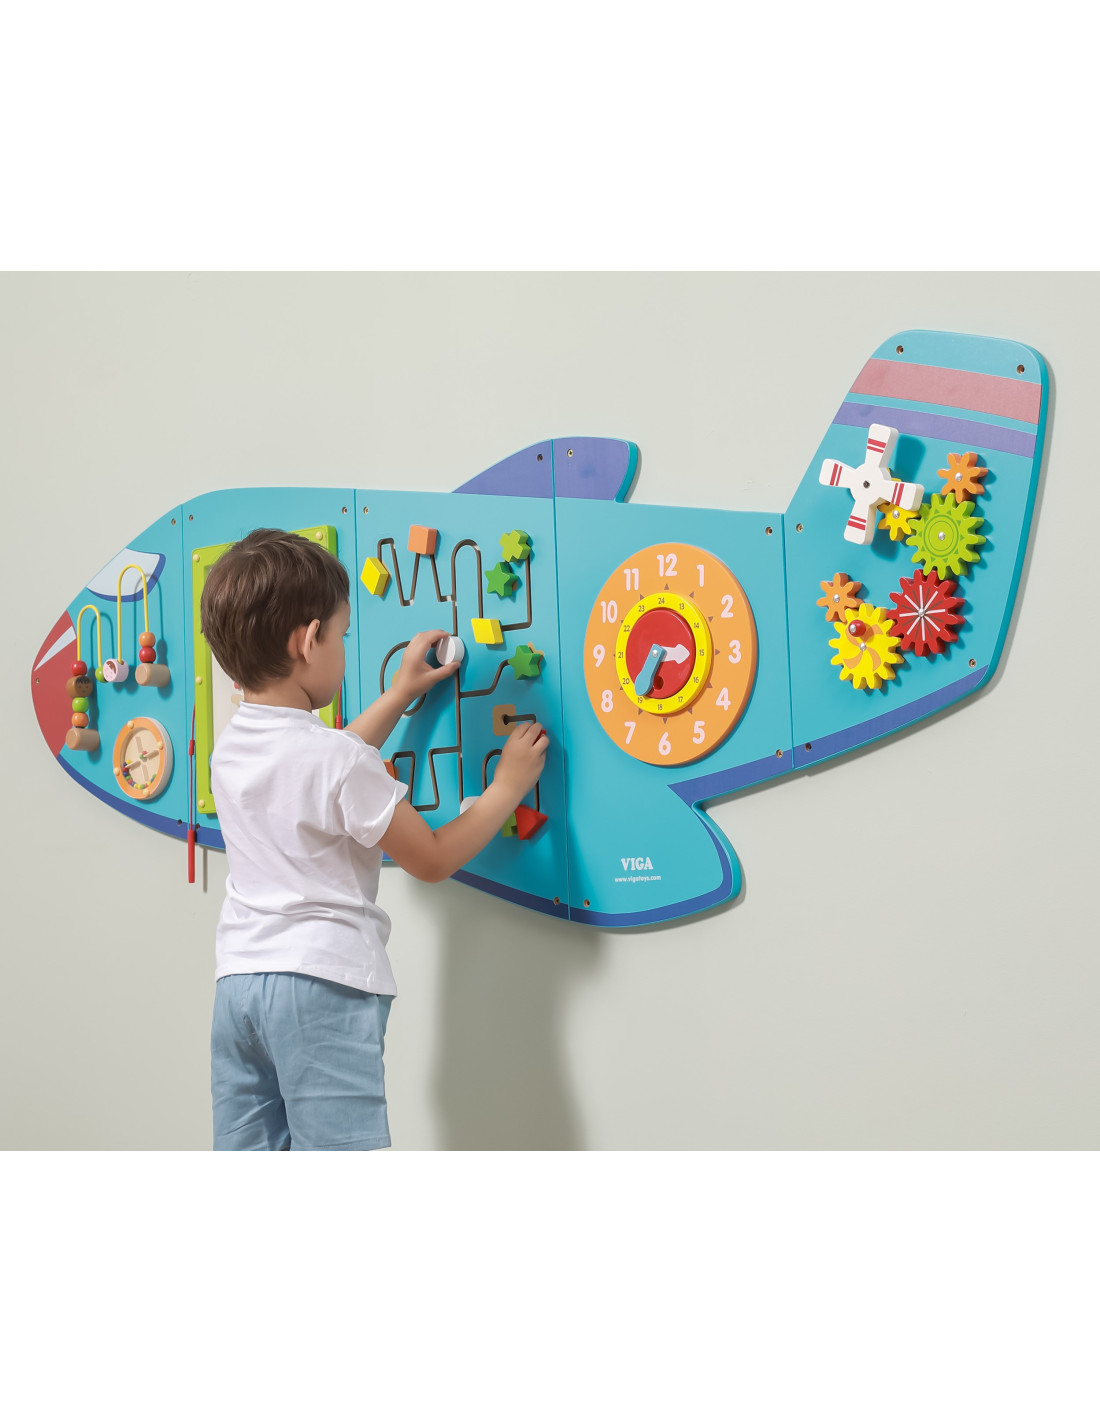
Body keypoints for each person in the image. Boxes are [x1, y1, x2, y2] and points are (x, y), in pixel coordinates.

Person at [200, 527, 547, 1150]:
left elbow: (321, 765)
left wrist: (401, 693)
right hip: (321, 984)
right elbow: (431, 859)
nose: (343, 647)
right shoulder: (337, 763)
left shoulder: (231, 748)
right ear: (309, 640)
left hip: (239, 987)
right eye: (341, 635)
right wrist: (507, 786)